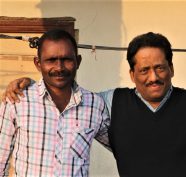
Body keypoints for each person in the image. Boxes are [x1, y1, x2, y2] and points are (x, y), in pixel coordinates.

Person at [2, 33, 186, 177]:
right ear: (132, 74)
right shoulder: (108, 103)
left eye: (160, 68)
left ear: (171, 68)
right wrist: (25, 82)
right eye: (143, 70)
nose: (153, 77)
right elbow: (64, 92)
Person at [0, 29, 110, 176]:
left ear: (78, 61)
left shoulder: (94, 105)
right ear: (38, 63)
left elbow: (124, 148)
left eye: (67, 59)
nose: (59, 67)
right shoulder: (17, 100)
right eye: (51, 60)